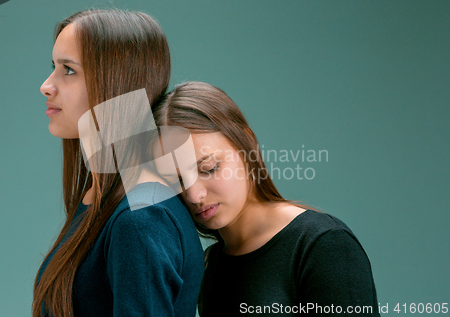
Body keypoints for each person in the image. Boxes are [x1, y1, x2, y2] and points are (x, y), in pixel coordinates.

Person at [152, 81, 380, 316]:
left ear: (247, 145)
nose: (193, 195)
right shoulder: (209, 265)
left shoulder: (322, 245)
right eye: (175, 181)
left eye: (208, 168)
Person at [35, 9, 204, 317]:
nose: (47, 85)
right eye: (53, 67)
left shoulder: (141, 218)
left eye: (68, 70)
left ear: (117, 83)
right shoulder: (103, 200)